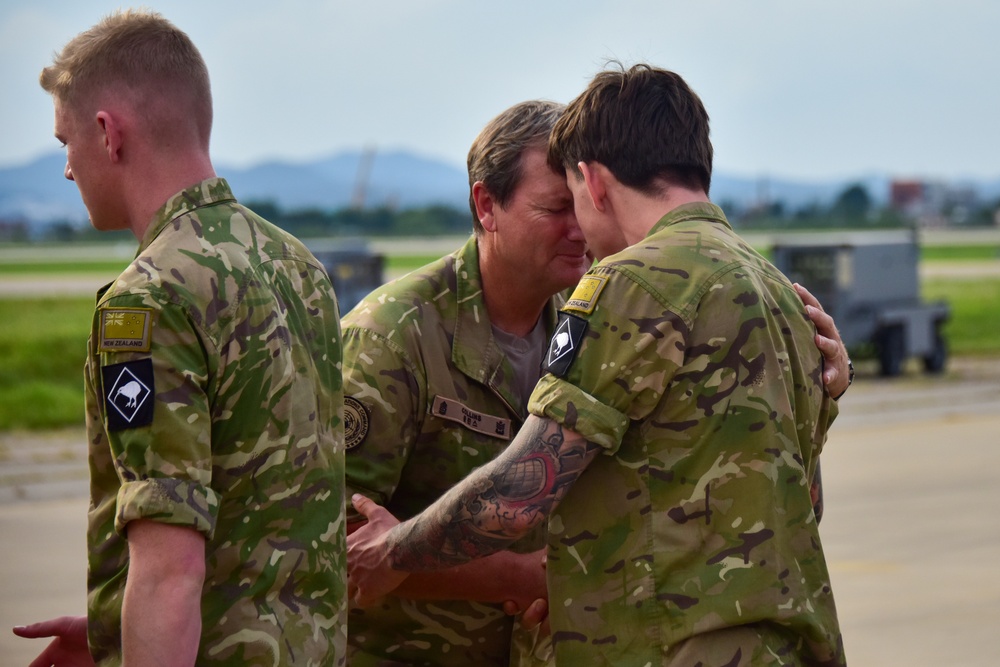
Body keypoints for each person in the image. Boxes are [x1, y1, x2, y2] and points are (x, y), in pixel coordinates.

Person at [347, 64, 846, 666]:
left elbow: (523, 487)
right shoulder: (776, 290)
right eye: (549, 209)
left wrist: (394, 552)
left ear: (595, 181)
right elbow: (800, 501)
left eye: (573, 202)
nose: (578, 230)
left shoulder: (629, 284)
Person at [13, 9, 346, 666]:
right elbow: (268, 509)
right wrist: (117, 623)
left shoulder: (149, 296)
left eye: (65, 143)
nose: (68, 170)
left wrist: (149, 627)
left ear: (108, 133)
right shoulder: (296, 263)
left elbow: (171, 569)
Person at [341, 100, 588, 666]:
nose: (578, 230)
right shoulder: (391, 336)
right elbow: (338, 544)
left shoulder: (587, 322)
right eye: (555, 208)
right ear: (487, 205)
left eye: (584, 205)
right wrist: (519, 577)